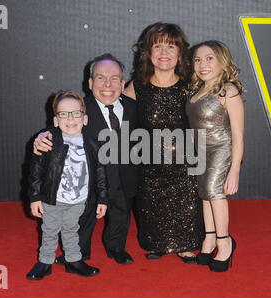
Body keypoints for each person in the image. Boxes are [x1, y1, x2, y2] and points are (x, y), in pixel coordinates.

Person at [33, 54, 138, 265]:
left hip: (124, 174)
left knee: (121, 213)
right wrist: (42, 136)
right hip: (88, 178)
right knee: (84, 216)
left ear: (123, 83)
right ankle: (79, 252)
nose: (107, 84)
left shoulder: (134, 107)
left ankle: (116, 247)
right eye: (100, 78)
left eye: (114, 78)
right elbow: (60, 125)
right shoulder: (81, 109)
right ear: (90, 83)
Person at [124, 22, 204, 263]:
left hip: (185, 166)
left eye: (171, 46)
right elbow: (116, 119)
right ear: (148, 52)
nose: (164, 53)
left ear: (180, 52)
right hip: (150, 165)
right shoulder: (138, 86)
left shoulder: (191, 85)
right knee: (150, 202)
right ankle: (158, 243)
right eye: (158, 46)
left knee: (187, 201)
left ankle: (185, 245)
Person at [27, 90, 108, 280]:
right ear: (55, 120)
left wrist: (103, 198)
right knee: (49, 231)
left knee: (72, 231)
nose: (70, 118)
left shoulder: (93, 144)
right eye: (63, 114)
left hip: (79, 200)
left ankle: (73, 261)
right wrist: (35, 197)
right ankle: (45, 262)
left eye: (76, 113)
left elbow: (100, 173)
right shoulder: (47, 142)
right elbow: (35, 171)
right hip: (52, 199)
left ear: (85, 118)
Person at [185, 40, 244, 272]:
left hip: (221, 149)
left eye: (209, 58)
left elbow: (238, 134)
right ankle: (209, 239)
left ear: (222, 60)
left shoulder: (228, 90)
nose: (203, 64)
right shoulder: (196, 91)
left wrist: (235, 169)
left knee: (215, 193)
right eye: (198, 60)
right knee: (204, 195)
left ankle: (225, 242)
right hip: (199, 150)